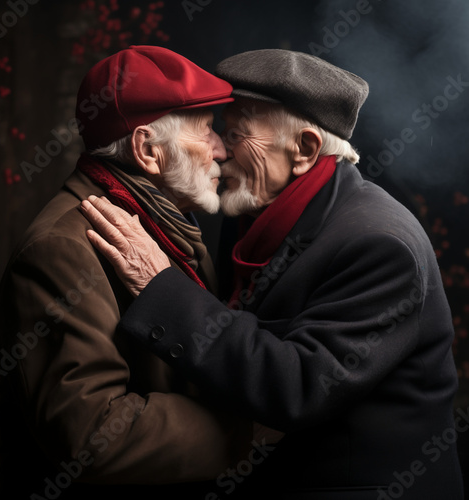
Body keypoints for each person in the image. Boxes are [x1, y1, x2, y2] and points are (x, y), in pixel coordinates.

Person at [82, 49, 465, 499]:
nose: (220, 151)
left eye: (236, 133)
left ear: (303, 149)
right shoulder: (249, 213)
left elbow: (299, 387)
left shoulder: (380, 244)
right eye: (218, 130)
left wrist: (158, 284)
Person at [0, 45, 256, 500]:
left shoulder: (172, 228)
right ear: (148, 151)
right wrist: (251, 428)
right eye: (207, 130)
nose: (222, 149)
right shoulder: (62, 249)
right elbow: (91, 436)